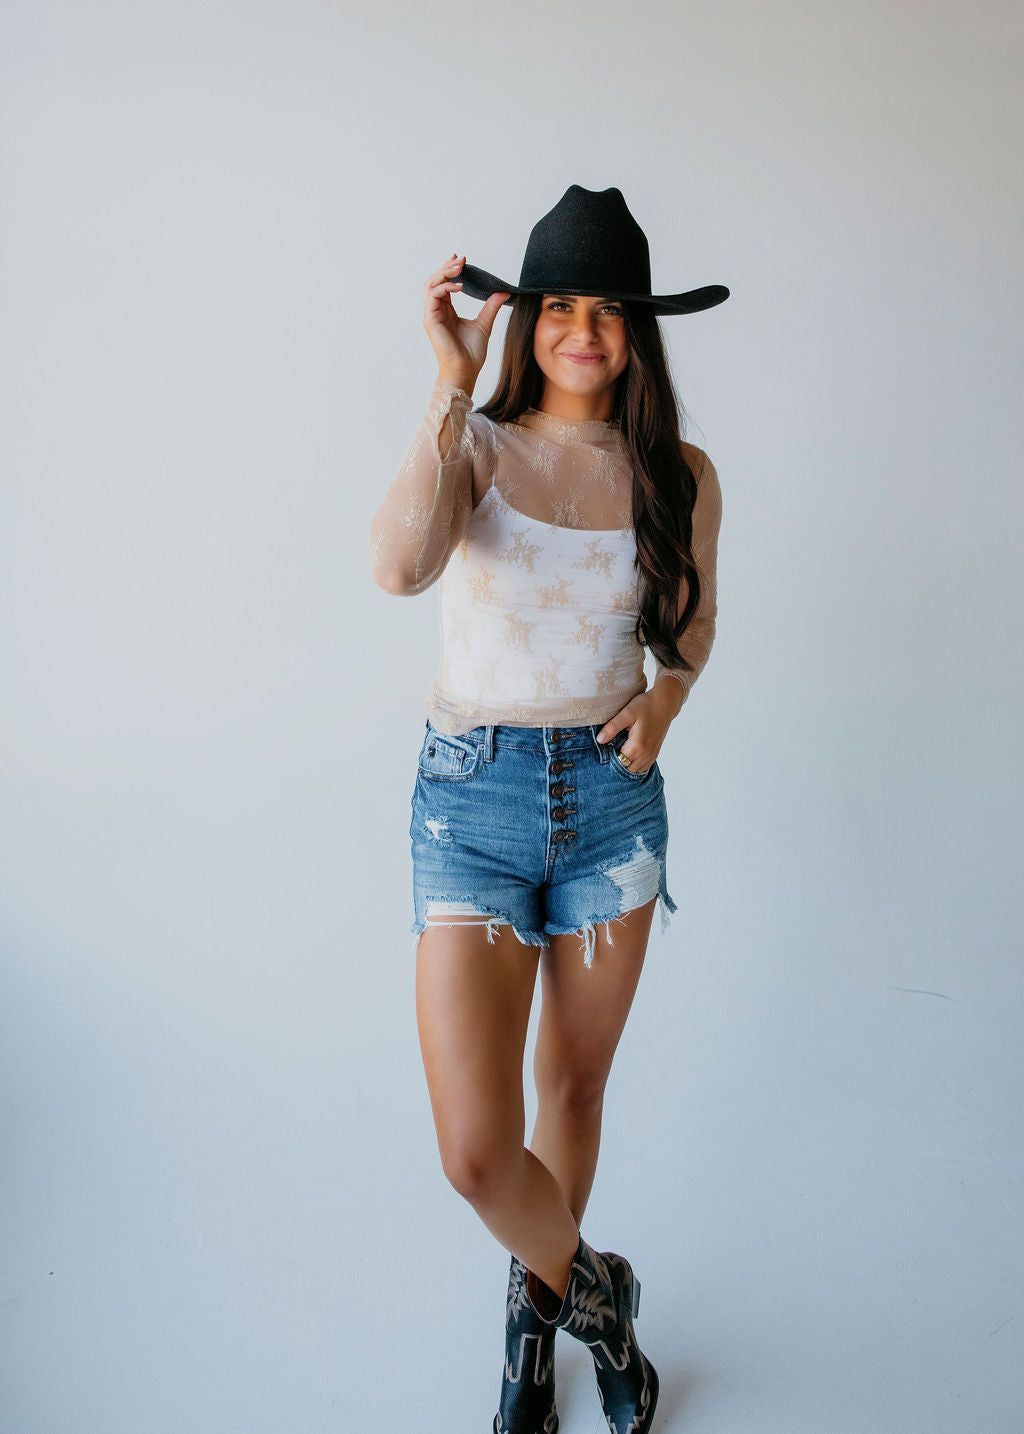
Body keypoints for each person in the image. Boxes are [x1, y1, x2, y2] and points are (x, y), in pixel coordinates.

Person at [368, 184, 728, 1434]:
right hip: (471, 805)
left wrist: (665, 701)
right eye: (562, 306)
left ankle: (532, 1336)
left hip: (613, 812)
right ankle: (597, 1296)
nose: (584, 330)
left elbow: (688, 632)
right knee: (476, 1150)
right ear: (528, 321)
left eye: (609, 311)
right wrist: (448, 383)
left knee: (569, 1094)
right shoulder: (475, 445)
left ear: (636, 333)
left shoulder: (678, 474)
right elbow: (396, 568)